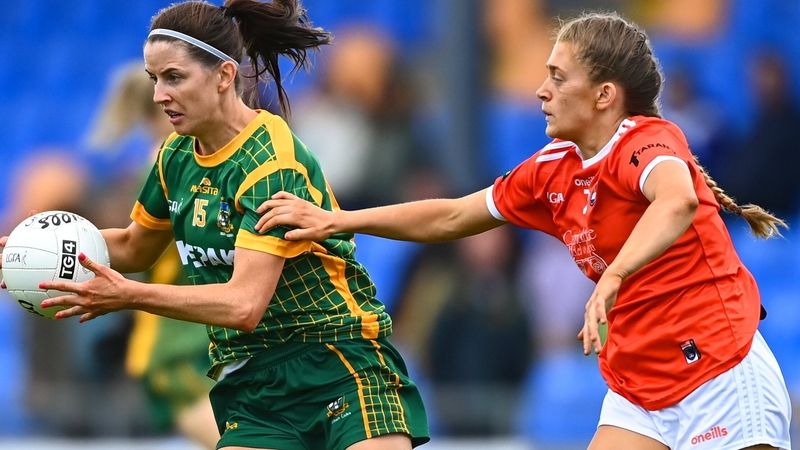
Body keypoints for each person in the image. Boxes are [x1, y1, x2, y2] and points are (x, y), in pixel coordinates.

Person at [253, 11, 792, 450]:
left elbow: (675, 202)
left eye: (558, 78)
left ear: (604, 95)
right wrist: (338, 219)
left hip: (720, 371)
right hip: (643, 385)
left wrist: (614, 276)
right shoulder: (552, 168)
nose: (540, 91)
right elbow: (451, 216)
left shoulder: (647, 140)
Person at [0, 1, 430, 449]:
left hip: (337, 362)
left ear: (225, 76)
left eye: (173, 77)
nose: (157, 96)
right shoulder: (175, 157)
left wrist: (129, 295)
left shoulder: (270, 163)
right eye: (154, 80)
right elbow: (133, 246)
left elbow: (245, 306)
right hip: (254, 384)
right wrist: (45, 252)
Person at [86, 61, 218, 449]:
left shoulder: (196, 164)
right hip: (179, 340)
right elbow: (136, 247)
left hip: (204, 332)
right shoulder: (163, 171)